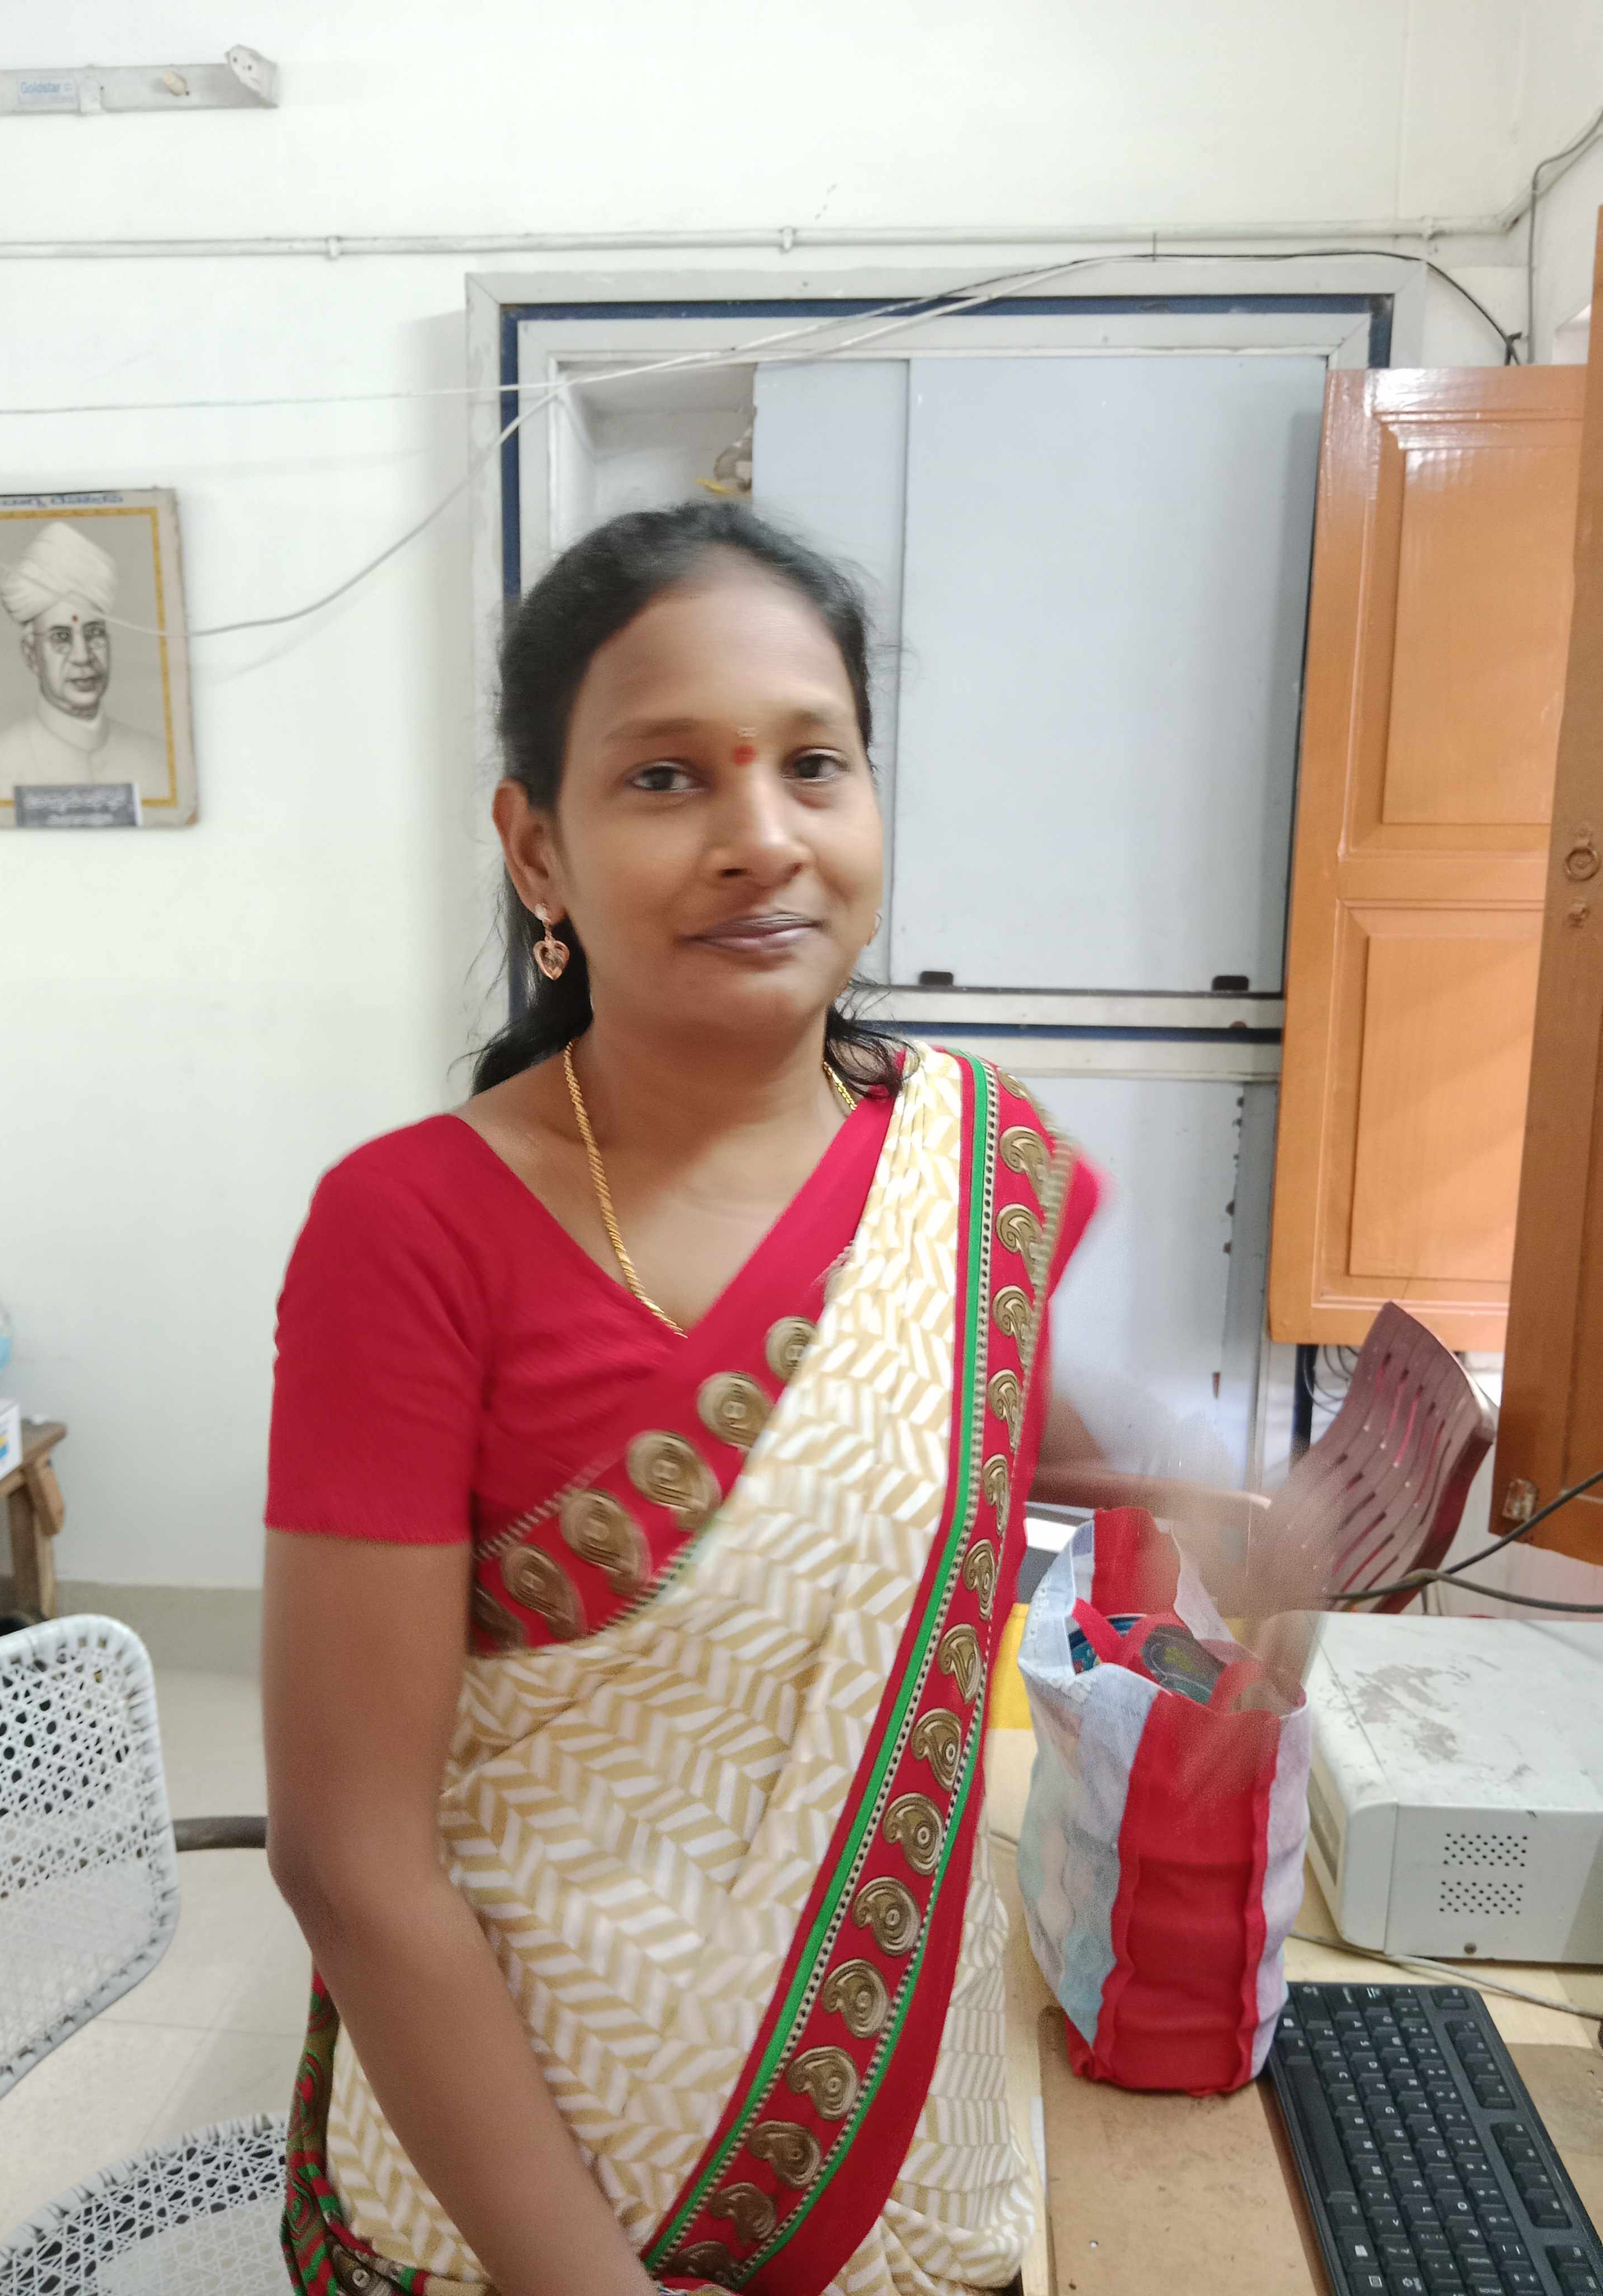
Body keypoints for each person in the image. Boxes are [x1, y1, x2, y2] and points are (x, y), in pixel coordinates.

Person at [262, 500, 1102, 2296]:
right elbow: (348, 1861)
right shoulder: (409, 1231)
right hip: (513, 2223)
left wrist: (1236, 1530)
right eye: (664, 777)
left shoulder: (979, 1174)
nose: (763, 837)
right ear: (537, 851)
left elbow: (996, 1461)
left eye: (816, 764)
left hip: (911, 2180)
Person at [0, 519, 170, 799]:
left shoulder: (160, 759)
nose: (83, 657)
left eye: (94, 633)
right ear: (31, 655)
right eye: (61, 637)